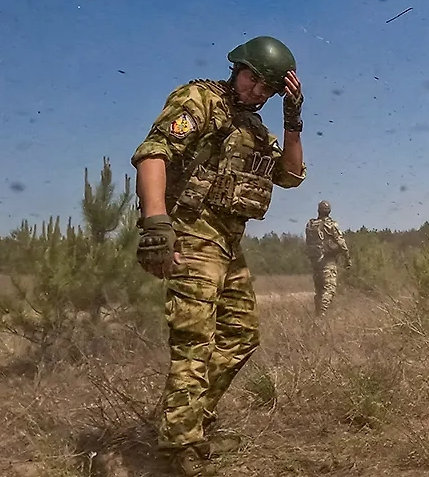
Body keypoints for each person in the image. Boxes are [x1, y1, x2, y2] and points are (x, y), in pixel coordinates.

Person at [131, 35, 307, 476]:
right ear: (239, 68)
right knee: (194, 341)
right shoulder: (199, 99)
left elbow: (290, 176)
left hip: (227, 244)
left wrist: (293, 120)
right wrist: (156, 224)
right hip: (191, 234)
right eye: (255, 82)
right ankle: (178, 453)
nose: (259, 93)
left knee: (241, 336)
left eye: (269, 89)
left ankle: (187, 424)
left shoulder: (254, 128)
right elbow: (154, 153)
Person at [304, 200, 352, 315]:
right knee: (330, 288)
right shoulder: (331, 225)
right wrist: (347, 259)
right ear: (329, 211)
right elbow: (342, 244)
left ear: (318, 210)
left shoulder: (311, 225)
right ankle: (321, 313)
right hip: (327, 261)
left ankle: (318, 315)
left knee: (319, 291)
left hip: (315, 262)